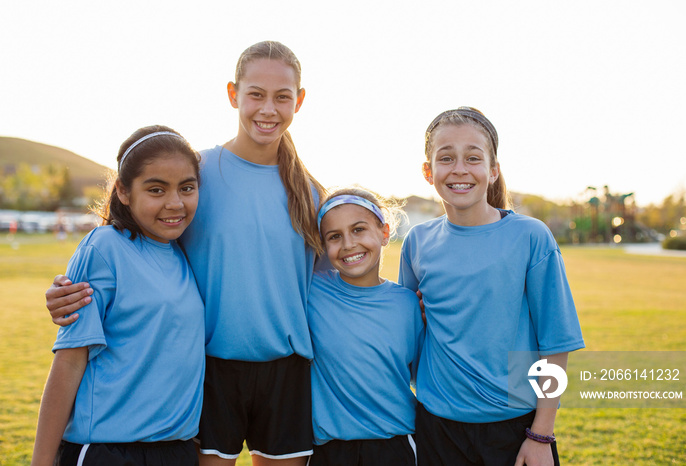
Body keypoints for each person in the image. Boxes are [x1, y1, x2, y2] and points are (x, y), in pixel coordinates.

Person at [44, 41, 324, 466]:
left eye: (282, 96)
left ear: (299, 101)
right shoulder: (199, 172)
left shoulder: (309, 191)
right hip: (209, 369)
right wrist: (67, 292)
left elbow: (326, 287)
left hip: (286, 371)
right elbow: (138, 241)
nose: (268, 108)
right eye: (255, 94)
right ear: (233, 94)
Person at [399, 107, 585, 466]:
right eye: (446, 158)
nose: (459, 169)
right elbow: (407, 334)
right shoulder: (418, 242)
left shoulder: (530, 237)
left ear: (493, 169)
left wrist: (541, 434)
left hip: (515, 430)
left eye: (473, 158)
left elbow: (557, 344)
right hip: (437, 429)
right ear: (428, 171)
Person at [32, 126, 205, 466]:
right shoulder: (104, 248)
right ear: (124, 192)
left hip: (177, 451)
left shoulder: (185, 251)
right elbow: (69, 362)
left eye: (187, 188)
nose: (175, 203)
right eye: (156, 189)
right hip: (110, 451)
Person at [308, 187, 423, 466]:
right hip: (329, 451)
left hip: (394, 447)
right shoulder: (311, 291)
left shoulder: (408, 305)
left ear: (384, 233)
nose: (348, 244)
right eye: (334, 236)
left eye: (358, 230)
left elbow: (419, 375)